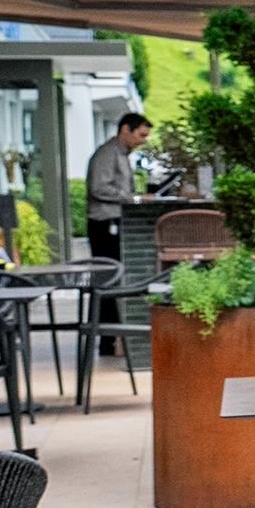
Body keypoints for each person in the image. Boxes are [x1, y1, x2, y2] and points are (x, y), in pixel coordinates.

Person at [86, 111, 148, 353]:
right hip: (105, 224)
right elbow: (98, 187)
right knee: (108, 279)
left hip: (113, 221)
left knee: (113, 278)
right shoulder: (108, 153)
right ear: (125, 129)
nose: (144, 140)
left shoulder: (121, 154)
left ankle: (112, 337)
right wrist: (133, 198)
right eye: (141, 134)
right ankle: (107, 339)